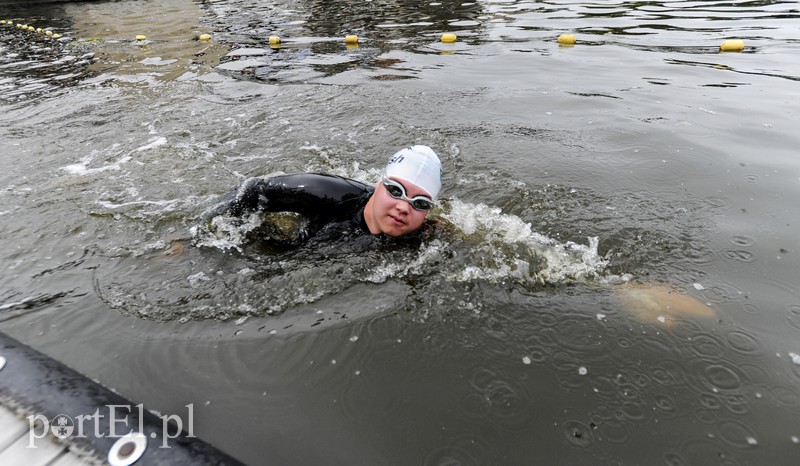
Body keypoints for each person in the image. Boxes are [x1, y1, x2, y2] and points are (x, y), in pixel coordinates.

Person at [204, 145, 443, 246]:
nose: (404, 207)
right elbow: (250, 190)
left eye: (420, 203)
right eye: (395, 191)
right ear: (380, 183)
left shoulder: (422, 234)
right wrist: (199, 236)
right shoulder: (324, 193)